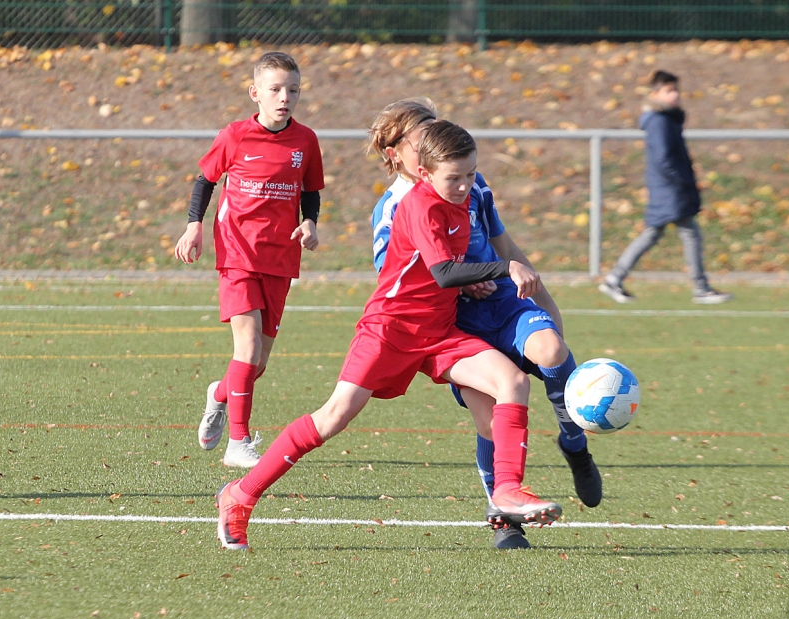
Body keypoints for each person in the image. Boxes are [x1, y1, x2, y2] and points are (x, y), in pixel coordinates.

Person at [216, 120, 563, 550]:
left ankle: (507, 491)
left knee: (513, 382)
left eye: (471, 174)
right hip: (390, 329)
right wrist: (503, 268)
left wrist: (475, 282)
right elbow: (443, 271)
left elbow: (448, 270)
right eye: (454, 177)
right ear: (425, 173)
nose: (465, 185)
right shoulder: (419, 205)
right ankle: (239, 495)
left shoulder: (462, 199)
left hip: (440, 331)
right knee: (333, 417)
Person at [369, 99, 601, 550]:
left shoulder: (468, 183)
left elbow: (503, 244)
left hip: (505, 302)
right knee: (490, 419)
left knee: (553, 350)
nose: (432, 141)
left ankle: (574, 442)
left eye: (435, 130)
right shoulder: (393, 208)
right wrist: (460, 284)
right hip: (456, 323)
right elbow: (400, 282)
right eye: (420, 137)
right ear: (397, 153)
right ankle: (504, 517)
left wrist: (543, 294)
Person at [174, 52, 324, 468]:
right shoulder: (235, 135)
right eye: (275, 89)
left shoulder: (306, 141)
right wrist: (193, 225)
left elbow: (310, 191)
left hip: (281, 256)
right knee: (248, 345)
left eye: (293, 90)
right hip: (237, 252)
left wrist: (309, 223)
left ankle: (219, 394)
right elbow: (205, 180)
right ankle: (238, 442)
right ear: (255, 92)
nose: (285, 97)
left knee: (256, 364)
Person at [599, 70, 732, 305]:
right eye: (669, 91)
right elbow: (663, 158)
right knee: (689, 233)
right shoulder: (659, 121)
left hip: (668, 188)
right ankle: (700, 288)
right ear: (655, 94)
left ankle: (614, 279)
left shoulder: (667, 118)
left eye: (676, 90)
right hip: (669, 189)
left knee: (654, 234)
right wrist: (681, 182)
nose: (675, 95)